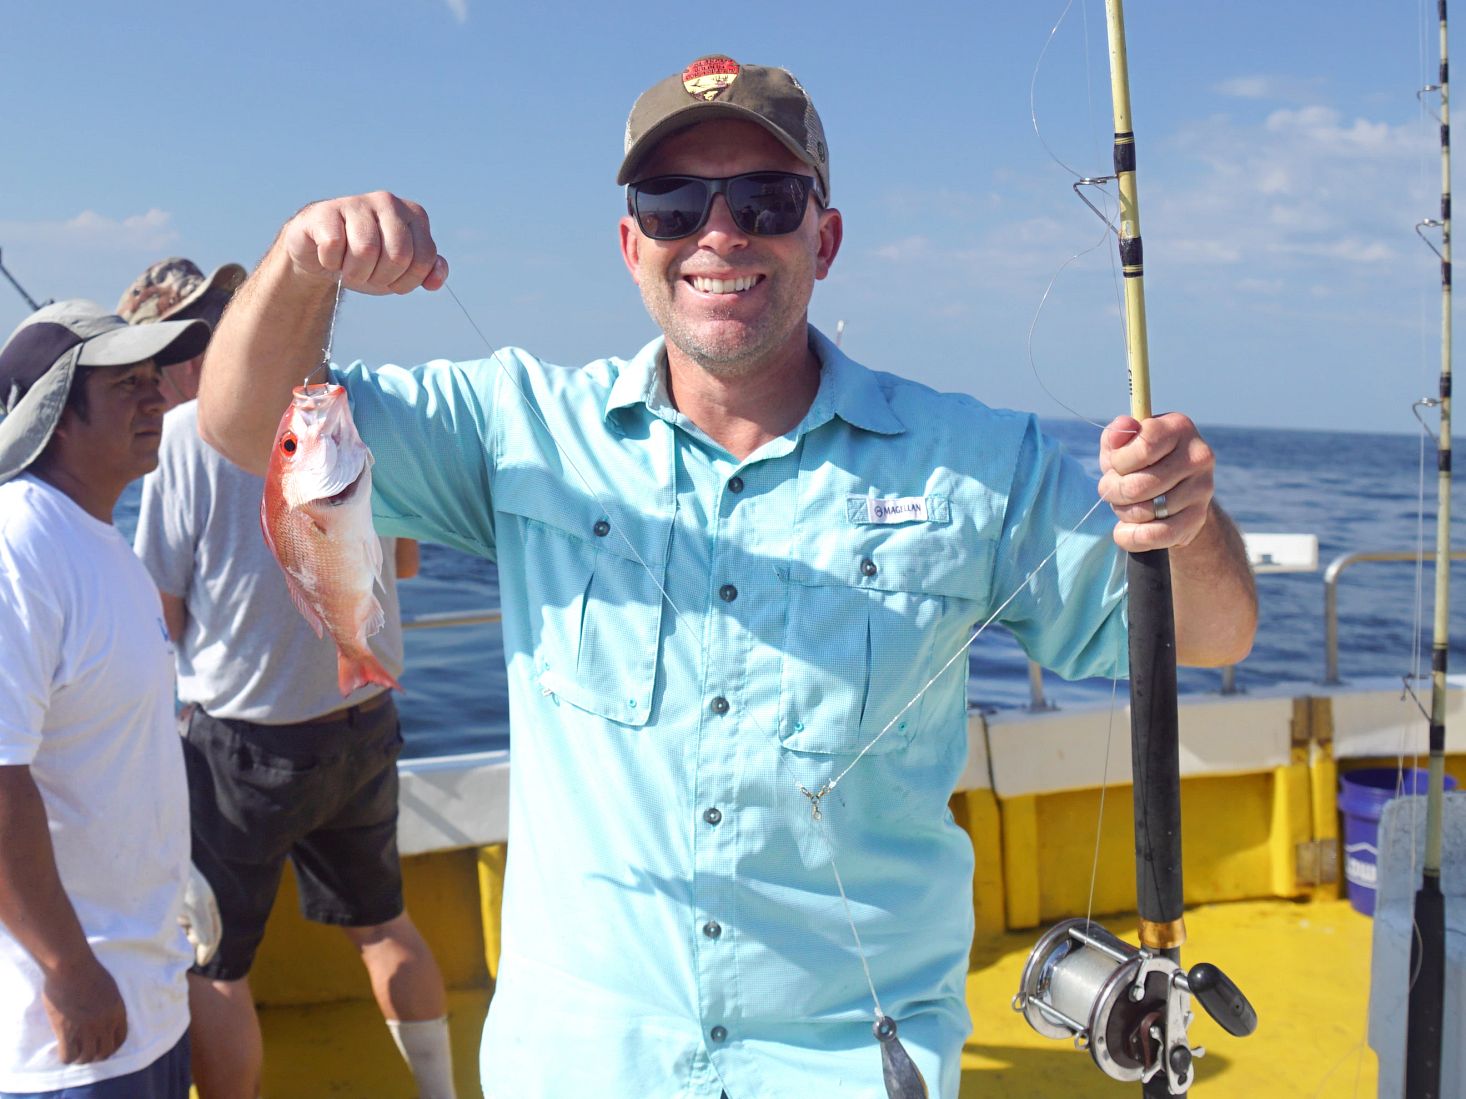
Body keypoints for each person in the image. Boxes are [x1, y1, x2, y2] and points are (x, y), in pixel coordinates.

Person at [196, 55, 1257, 1099]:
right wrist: (301, 262)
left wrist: (1184, 517)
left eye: (765, 199)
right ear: (630, 244)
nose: (718, 233)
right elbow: (248, 427)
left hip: (854, 1063)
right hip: (579, 1064)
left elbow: (1208, 635)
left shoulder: (980, 463)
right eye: (670, 203)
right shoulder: (516, 427)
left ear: (822, 237)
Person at [121, 258, 457, 1099]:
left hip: (242, 746)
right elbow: (405, 561)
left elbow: (160, 615)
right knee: (384, 928)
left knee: (216, 965)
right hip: (364, 715)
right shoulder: (347, 413)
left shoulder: (182, 437)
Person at [0, 300, 210, 1098]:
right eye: (127, 384)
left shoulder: (101, 538)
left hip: (147, 999)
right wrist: (68, 968)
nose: (157, 398)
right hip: (64, 1036)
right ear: (54, 413)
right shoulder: (19, 543)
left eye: (155, 378)